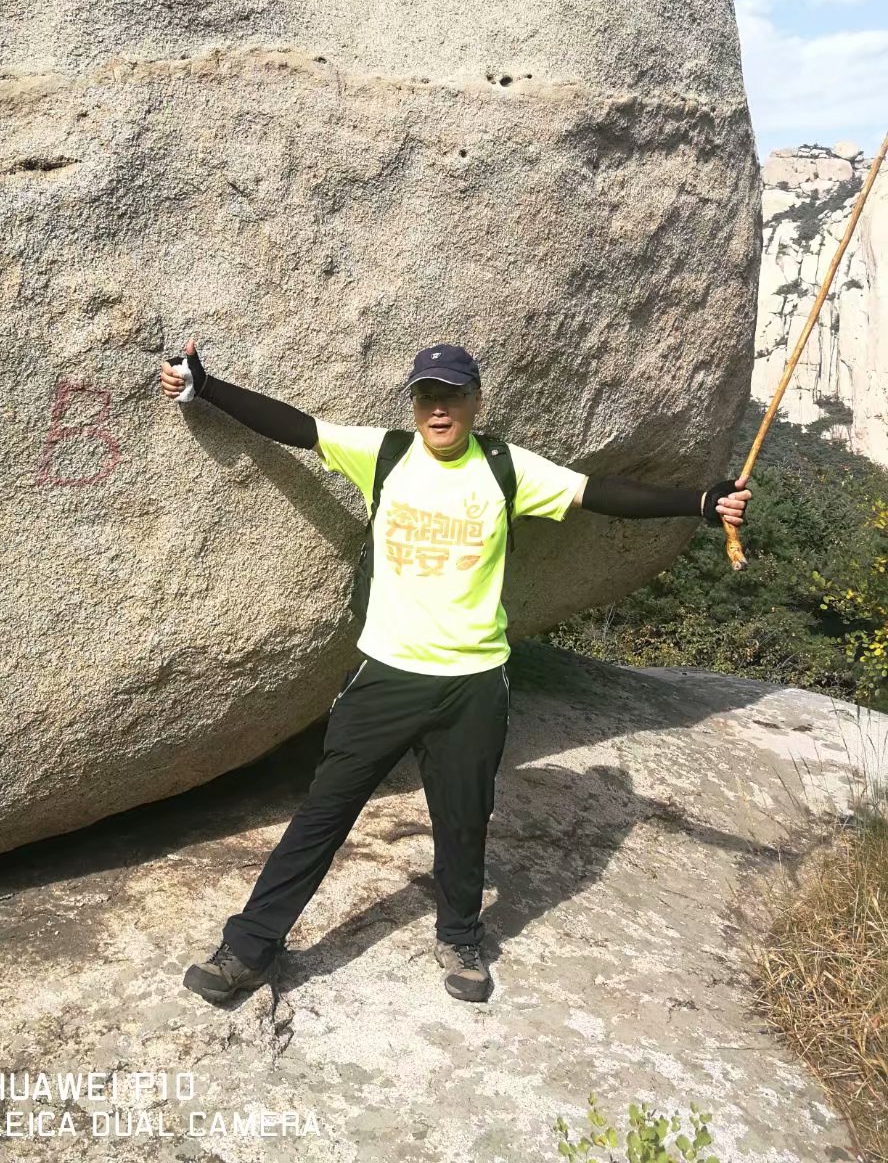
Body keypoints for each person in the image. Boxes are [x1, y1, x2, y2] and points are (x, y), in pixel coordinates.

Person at [161, 339, 751, 1004]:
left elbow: (600, 493)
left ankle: (461, 935)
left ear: (475, 402)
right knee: (323, 813)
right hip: (388, 675)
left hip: (474, 683)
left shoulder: (505, 467)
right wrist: (207, 386)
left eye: (452, 396)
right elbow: (297, 428)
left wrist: (699, 504)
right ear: (414, 402)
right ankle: (249, 948)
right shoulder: (384, 455)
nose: (438, 410)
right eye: (427, 396)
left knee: (465, 819)